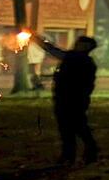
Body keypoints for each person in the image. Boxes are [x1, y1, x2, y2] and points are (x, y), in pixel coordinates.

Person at [39, 35, 99, 165]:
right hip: (63, 98)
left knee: (78, 127)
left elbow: (53, 51)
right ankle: (69, 155)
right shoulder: (73, 57)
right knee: (66, 129)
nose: (77, 45)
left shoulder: (82, 60)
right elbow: (52, 50)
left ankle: (88, 151)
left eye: (81, 44)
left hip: (75, 99)